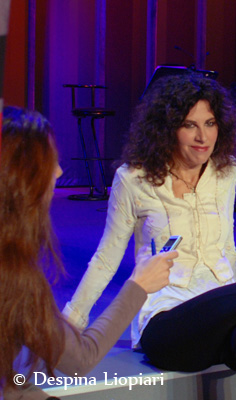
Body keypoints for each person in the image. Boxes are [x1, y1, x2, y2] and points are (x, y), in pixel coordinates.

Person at [62, 74, 236, 400]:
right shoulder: (134, 178)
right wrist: (70, 325)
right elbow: (106, 258)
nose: (202, 137)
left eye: (209, 124)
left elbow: (227, 247)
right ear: (167, 128)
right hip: (166, 322)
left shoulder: (225, 170)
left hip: (217, 311)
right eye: (189, 125)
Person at [0, 106, 178, 400]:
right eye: (50, 162)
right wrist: (138, 286)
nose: (59, 171)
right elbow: (80, 359)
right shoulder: (12, 274)